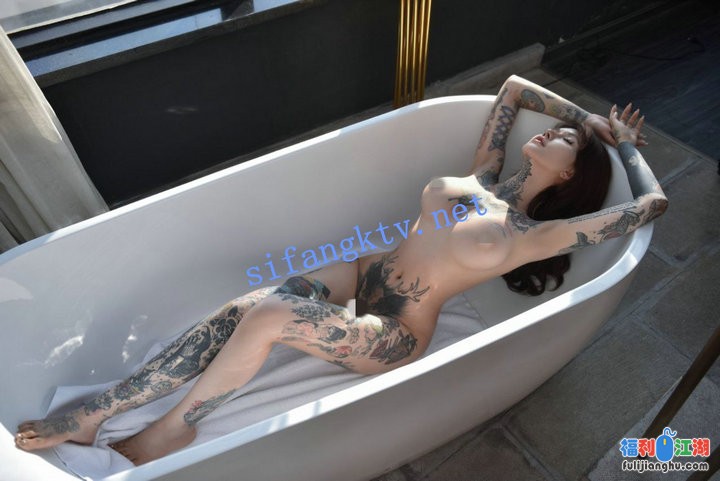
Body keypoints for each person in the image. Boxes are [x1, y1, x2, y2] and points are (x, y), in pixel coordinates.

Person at [15, 75, 667, 465]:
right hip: (362, 274)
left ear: (570, 177)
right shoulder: (484, 176)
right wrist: (585, 119)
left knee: (271, 315)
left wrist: (621, 146)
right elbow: (515, 92)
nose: (550, 134)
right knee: (248, 304)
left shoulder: (533, 234)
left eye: (566, 144)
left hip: (397, 331)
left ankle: (169, 430)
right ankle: (101, 410)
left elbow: (649, 206)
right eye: (558, 131)